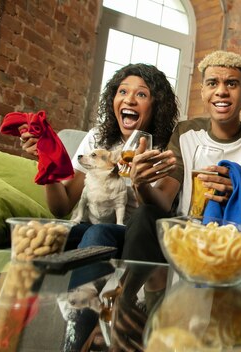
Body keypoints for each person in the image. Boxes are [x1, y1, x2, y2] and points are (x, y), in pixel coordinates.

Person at [120, 50, 241, 263]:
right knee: (143, 216)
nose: (221, 92)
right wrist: (140, 184)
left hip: (231, 241)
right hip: (185, 236)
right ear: (202, 91)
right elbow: (163, 201)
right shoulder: (185, 132)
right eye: (212, 83)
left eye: (231, 84)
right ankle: (128, 295)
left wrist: (238, 194)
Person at [20, 63, 179, 254]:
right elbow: (62, 207)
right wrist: (47, 161)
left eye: (141, 94)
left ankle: (83, 285)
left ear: (157, 105)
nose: (129, 100)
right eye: (122, 91)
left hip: (133, 235)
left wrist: (140, 183)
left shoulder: (166, 148)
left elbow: (157, 212)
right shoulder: (97, 138)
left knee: (97, 233)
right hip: (90, 225)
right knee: (39, 235)